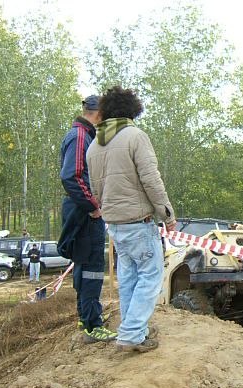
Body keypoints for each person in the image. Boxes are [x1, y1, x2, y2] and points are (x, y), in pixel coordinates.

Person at [87, 86, 176, 353]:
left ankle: (134, 329)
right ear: (131, 110)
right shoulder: (135, 136)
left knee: (128, 279)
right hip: (139, 220)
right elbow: (151, 180)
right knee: (150, 277)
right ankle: (132, 333)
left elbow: (95, 189)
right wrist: (167, 214)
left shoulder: (94, 145)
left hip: (114, 224)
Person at [58, 95, 117, 344]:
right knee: (92, 266)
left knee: (83, 264)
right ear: (97, 113)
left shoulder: (80, 134)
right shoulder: (81, 136)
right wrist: (93, 206)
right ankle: (93, 325)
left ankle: (86, 317)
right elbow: (71, 176)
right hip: (84, 212)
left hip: (78, 210)